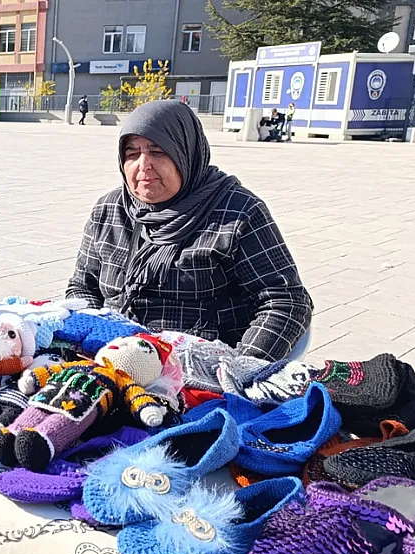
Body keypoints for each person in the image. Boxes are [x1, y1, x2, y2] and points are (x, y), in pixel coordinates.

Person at [65, 100, 312, 361]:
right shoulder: (109, 210)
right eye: (132, 153)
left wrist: (240, 369)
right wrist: (91, 339)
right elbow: (82, 287)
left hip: (200, 369)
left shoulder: (239, 212)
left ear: (186, 152)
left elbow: (286, 301)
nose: (143, 164)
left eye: (158, 151)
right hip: (112, 357)